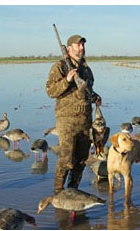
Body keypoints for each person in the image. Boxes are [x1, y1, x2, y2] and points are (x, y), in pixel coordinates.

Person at [46, 34, 101, 194]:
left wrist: (95, 97)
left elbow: (87, 91)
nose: (82, 48)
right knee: (66, 159)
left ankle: (72, 191)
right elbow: (50, 91)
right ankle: (58, 191)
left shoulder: (86, 69)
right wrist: (67, 80)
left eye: (83, 45)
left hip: (85, 120)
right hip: (67, 120)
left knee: (81, 160)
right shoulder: (60, 67)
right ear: (69, 48)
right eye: (78, 45)